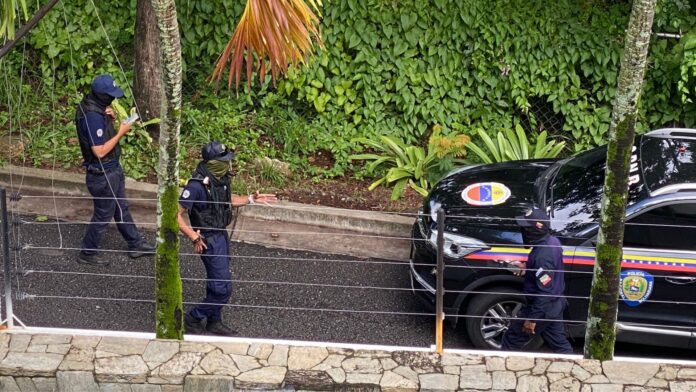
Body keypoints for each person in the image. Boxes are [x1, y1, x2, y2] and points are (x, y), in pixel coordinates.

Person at [178, 141, 277, 336]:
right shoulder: (196, 186)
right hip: (208, 239)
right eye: (224, 161)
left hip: (221, 235)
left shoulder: (220, 179)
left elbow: (227, 201)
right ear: (213, 163)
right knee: (223, 289)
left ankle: (214, 321)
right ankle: (193, 318)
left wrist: (250, 199)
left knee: (217, 281)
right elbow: (175, 214)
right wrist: (193, 236)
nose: (228, 165)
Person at [75, 74, 154, 266]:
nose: (113, 98)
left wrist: (108, 118)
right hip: (102, 173)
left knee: (120, 207)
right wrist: (121, 131)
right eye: (109, 95)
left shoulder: (96, 108)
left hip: (112, 170)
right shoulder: (92, 116)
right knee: (103, 214)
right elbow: (99, 151)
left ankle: (135, 244)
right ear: (101, 95)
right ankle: (87, 252)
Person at [501, 208, 573, 354]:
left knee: (511, 340)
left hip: (543, 308)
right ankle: (576, 370)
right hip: (555, 304)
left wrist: (532, 319)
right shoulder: (552, 241)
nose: (523, 231)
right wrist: (526, 267)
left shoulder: (542, 255)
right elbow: (547, 272)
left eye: (526, 228)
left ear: (536, 229)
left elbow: (545, 290)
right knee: (559, 345)